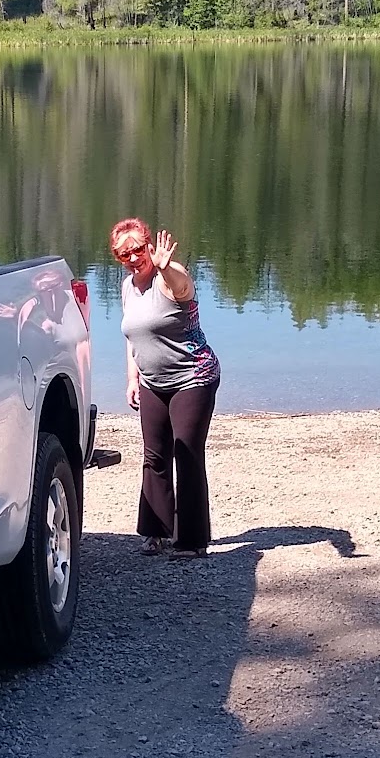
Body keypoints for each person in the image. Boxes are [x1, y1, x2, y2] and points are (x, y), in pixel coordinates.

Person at [112, 217, 220, 558]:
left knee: (185, 452)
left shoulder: (169, 279)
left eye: (138, 249)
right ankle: (155, 533)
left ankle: (191, 540)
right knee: (154, 455)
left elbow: (182, 286)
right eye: (124, 253)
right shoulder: (128, 287)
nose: (133, 258)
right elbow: (134, 338)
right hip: (153, 382)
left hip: (194, 376)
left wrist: (165, 267)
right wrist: (133, 378)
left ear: (149, 245)